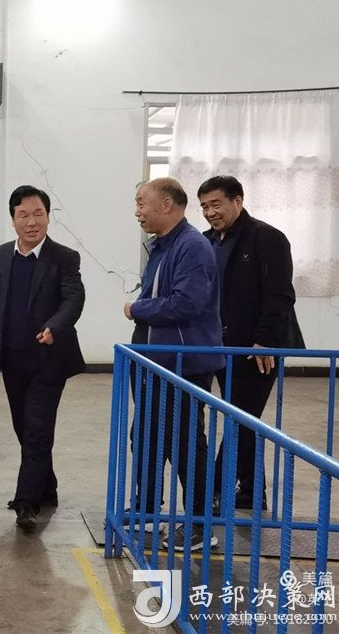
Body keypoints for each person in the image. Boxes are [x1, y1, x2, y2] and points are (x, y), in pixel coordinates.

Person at [123, 178, 224, 551]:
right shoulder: (163, 245)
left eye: (141, 203)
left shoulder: (192, 246)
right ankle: (148, 510)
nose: (137, 211)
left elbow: (186, 303)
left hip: (183, 362)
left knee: (185, 442)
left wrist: (137, 309)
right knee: (145, 435)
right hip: (155, 361)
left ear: (166, 204)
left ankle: (199, 525)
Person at [0, 185, 86, 531]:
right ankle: (47, 486)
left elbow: (74, 298)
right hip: (12, 359)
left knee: (38, 428)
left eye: (38, 213)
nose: (31, 222)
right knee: (23, 428)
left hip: (49, 360)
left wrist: (55, 326)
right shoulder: (0, 256)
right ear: (12, 219)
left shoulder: (64, 257)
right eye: (23, 215)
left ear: (48, 216)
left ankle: (26, 502)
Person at [197, 175, 305, 512]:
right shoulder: (206, 241)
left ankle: (214, 491)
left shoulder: (267, 237)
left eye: (216, 204)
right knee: (245, 419)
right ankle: (252, 493)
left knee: (239, 418)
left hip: (258, 350)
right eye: (204, 206)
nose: (210, 212)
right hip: (220, 346)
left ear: (238, 201)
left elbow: (280, 294)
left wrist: (264, 340)